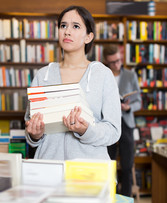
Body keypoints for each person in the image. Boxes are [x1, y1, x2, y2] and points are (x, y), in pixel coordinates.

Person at [24, 6, 121, 160]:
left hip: (88, 172)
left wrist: (86, 130)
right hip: (49, 169)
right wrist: (35, 135)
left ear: (88, 37)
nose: (67, 31)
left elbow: (113, 131)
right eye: (63, 26)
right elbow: (30, 130)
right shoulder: (43, 75)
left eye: (75, 26)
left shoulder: (103, 75)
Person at [103, 44, 141, 203]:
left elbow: (139, 101)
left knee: (127, 165)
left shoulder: (131, 75)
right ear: (107, 62)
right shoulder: (102, 75)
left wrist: (127, 107)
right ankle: (109, 202)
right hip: (108, 122)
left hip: (126, 122)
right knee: (108, 165)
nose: (116, 65)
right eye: (112, 62)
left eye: (118, 61)